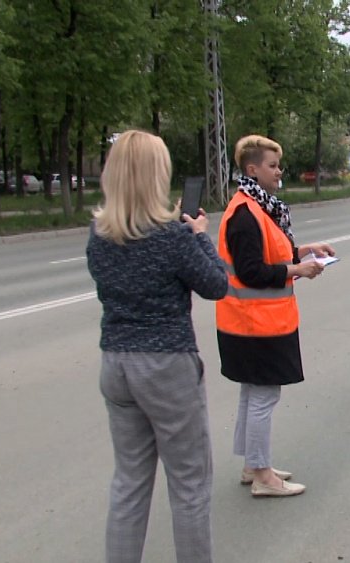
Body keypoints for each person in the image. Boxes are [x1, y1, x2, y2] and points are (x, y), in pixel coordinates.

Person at [86, 130, 228, 563]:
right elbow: (217, 284)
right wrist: (201, 234)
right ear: (155, 175)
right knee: (189, 486)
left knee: (129, 482)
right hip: (166, 365)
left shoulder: (99, 234)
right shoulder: (171, 236)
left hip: (116, 364)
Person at [216, 134, 335, 497]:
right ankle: (264, 477)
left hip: (250, 321)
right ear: (252, 169)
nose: (279, 171)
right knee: (264, 396)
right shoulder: (245, 214)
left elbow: (269, 254)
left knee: (253, 393)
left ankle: (254, 465)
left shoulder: (257, 207)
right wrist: (296, 270)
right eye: (272, 165)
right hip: (255, 323)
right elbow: (252, 271)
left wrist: (304, 251)